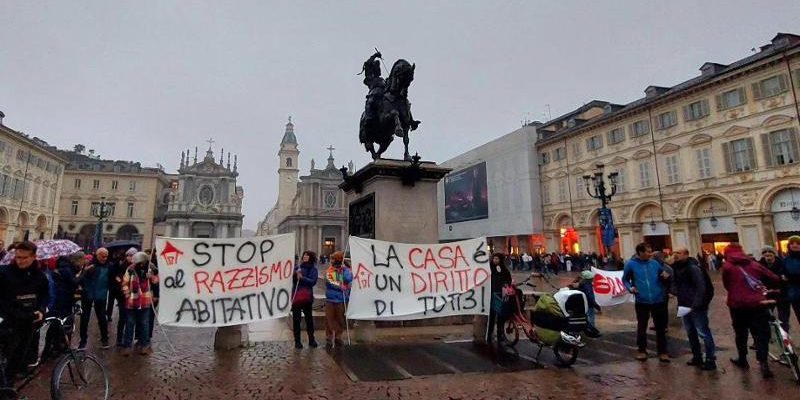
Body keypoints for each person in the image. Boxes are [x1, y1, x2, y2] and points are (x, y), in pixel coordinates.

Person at [721, 243, 781, 379]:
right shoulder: (753, 264)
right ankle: (763, 363)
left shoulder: (727, 266)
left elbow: (726, 284)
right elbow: (774, 277)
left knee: (740, 333)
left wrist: (736, 292)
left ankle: (743, 359)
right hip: (758, 303)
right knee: (761, 334)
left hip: (737, 305)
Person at [0, 241, 48, 380]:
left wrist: (41, 310)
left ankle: (8, 386)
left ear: (33, 257)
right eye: (17, 257)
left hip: (27, 324)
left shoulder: (40, 277)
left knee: (18, 358)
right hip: (7, 324)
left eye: (24, 257)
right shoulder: (4, 273)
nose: (19, 261)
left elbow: (43, 297)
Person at [622, 243, 671, 362]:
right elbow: (625, 279)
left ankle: (663, 352)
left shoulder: (655, 263)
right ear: (640, 252)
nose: (650, 253)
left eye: (650, 251)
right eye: (647, 251)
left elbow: (664, 275)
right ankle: (642, 350)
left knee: (660, 328)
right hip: (641, 300)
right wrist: (630, 288)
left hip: (658, 299)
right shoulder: (631, 264)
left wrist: (665, 277)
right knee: (642, 326)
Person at [671, 247, 716, 370]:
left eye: (678, 253)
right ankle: (697, 356)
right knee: (690, 332)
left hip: (696, 306)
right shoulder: (676, 268)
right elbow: (674, 283)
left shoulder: (693, 268)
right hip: (684, 304)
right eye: (675, 253)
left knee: (703, 332)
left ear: (686, 254)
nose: (675, 255)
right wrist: (676, 292)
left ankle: (710, 358)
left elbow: (701, 287)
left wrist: (697, 303)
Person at [42, 252, 84, 361]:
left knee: (62, 324)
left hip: (65, 299)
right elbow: (72, 282)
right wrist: (84, 272)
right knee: (58, 324)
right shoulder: (66, 269)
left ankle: (58, 346)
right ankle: (51, 349)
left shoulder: (66, 268)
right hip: (62, 300)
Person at [120, 252, 158, 356]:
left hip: (145, 300)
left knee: (144, 323)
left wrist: (151, 276)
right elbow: (124, 283)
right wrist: (127, 295)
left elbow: (155, 282)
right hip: (132, 300)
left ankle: (145, 344)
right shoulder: (130, 269)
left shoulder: (151, 269)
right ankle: (127, 345)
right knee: (129, 323)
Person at [78, 248, 112, 350]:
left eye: (106, 256)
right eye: (102, 256)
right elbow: (81, 278)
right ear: (97, 255)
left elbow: (111, 280)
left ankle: (104, 339)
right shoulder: (89, 265)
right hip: (88, 294)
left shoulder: (109, 266)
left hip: (101, 295)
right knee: (84, 318)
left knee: (102, 318)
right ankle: (83, 341)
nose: (105, 258)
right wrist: (85, 272)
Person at [324, 251, 352, 348]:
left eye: (332, 258)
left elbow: (349, 279)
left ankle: (338, 336)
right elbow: (329, 282)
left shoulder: (345, 270)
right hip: (331, 299)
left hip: (341, 299)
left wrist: (343, 272)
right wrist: (340, 286)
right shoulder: (329, 270)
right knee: (329, 318)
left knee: (340, 318)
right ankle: (329, 336)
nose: (331, 260)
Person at [759, 246, 790, 331]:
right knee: (765, 316)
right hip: (767, 294)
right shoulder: (759, 265)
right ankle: (769, 334)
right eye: (765, 252)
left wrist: (781, 287)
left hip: (782, 293)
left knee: (784, 317)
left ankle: (785, 337)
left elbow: (787, 278)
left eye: (770, 252)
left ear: (774, 254)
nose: (767, 254)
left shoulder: (782, 263)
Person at [292, 251, 319, 349]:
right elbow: (293, 281)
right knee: (296, 320)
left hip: (307, 297)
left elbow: (312, 282)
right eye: (304, 255)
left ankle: (311, 339)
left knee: (309, 320)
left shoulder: (313, 269)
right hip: (296, 296)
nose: (305, 256)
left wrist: (302, 278)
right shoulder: (297, 268)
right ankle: (297, 341)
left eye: (307, 255)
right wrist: (295, 275)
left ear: (311, 257)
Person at [109, 247, 136, 347]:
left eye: (131, 255)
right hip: (122, 296)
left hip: (133, 296)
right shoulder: (121, 264)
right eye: (128, 255)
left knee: (131, 319)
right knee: (122, 318)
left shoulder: (136, 267)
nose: (129, 257)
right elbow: (114, 275)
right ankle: (119, 338)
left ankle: (128, 339)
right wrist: (118, 280)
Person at [487, 253, 512, 345]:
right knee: (492, 316)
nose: (495, 260)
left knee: (501, 316)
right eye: (494, 259)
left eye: (497, 259)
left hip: (501, 295)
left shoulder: (504, 270)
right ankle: (490, 334)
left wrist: (505, 285)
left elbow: (508, 279)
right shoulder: (489, 268)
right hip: (492, 294)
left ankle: (500, 334)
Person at [570, 270, 601, 337]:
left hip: (583, 305)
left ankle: (588, 329)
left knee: (586, 317)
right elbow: (590, 297)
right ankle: (592, 330)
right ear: (588, 279)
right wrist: (596, 306)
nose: (593, 279)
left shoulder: (581, 284)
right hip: (588, 305)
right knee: (590, 317)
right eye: (591, 278)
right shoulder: (586, 287)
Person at [784, 236, 800, 328]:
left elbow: (787, 276)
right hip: (794, 294)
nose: (795, 245)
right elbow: (783, 275)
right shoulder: (786, 260)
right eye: (792, 243)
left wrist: (790, 277)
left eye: (798, 243)